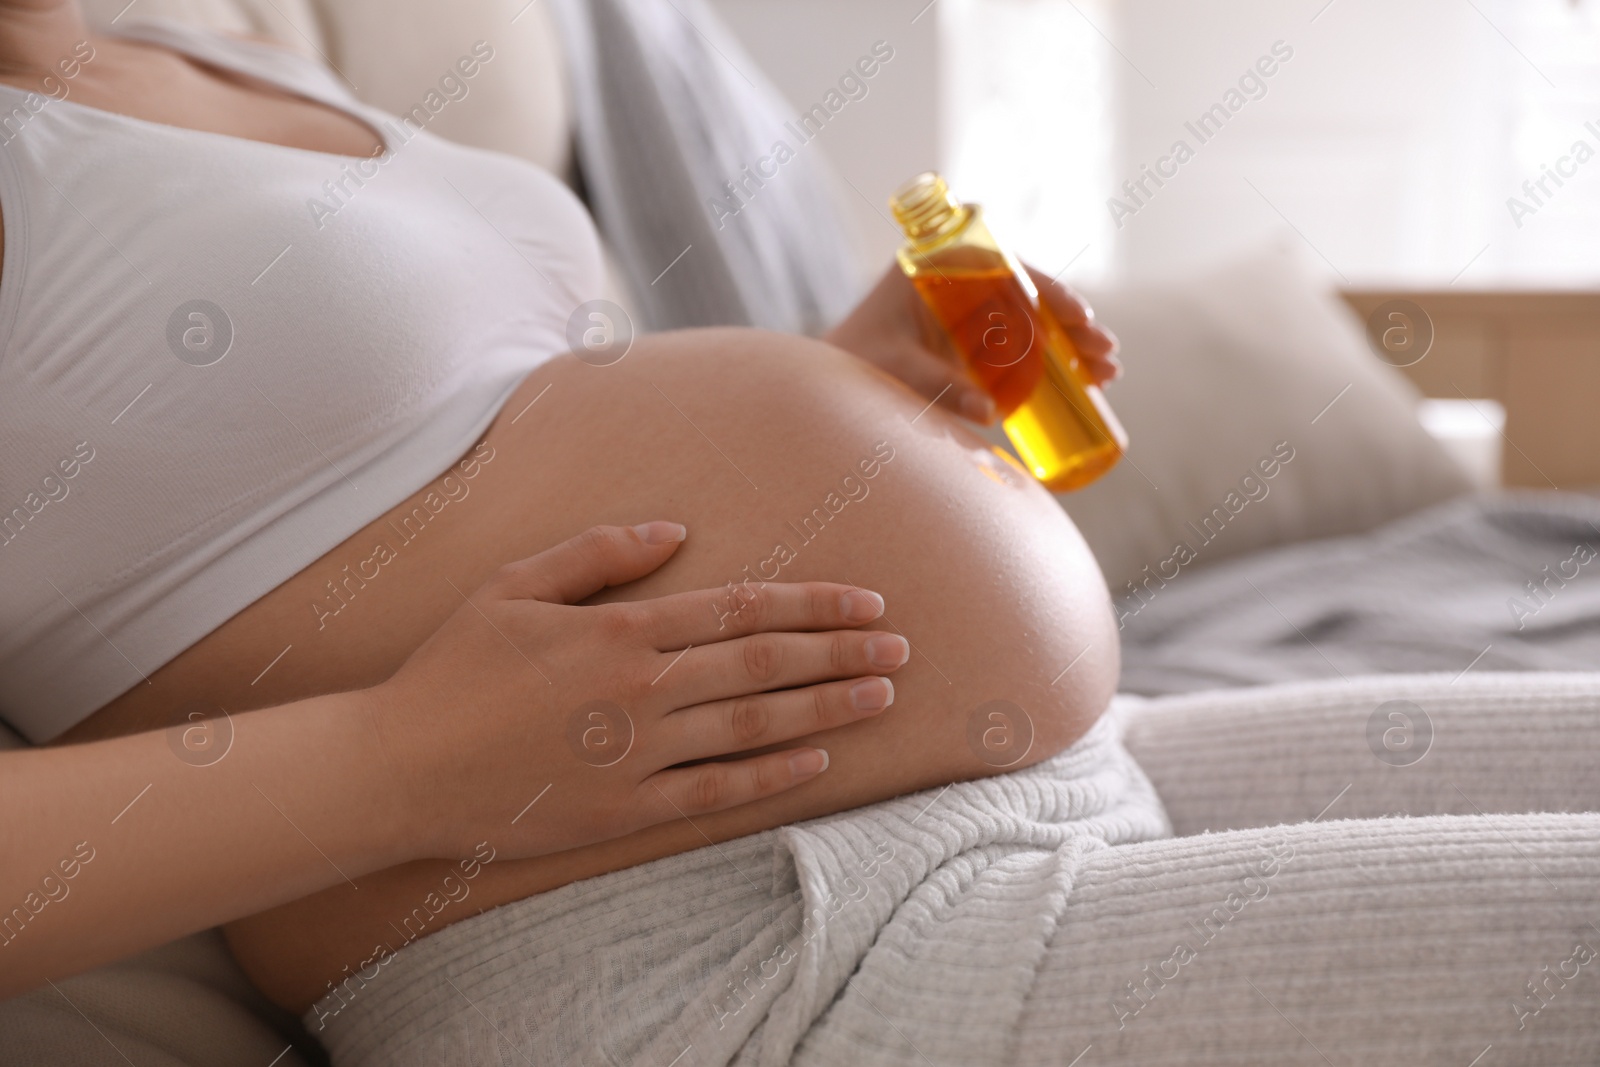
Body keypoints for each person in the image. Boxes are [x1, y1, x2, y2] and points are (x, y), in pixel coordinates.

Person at [0, 0, 1123, 1011]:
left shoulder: (192, 45)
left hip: (1001, 776)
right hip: (687, 942)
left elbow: (473, 457)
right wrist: (395, 761)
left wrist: (848, 380)